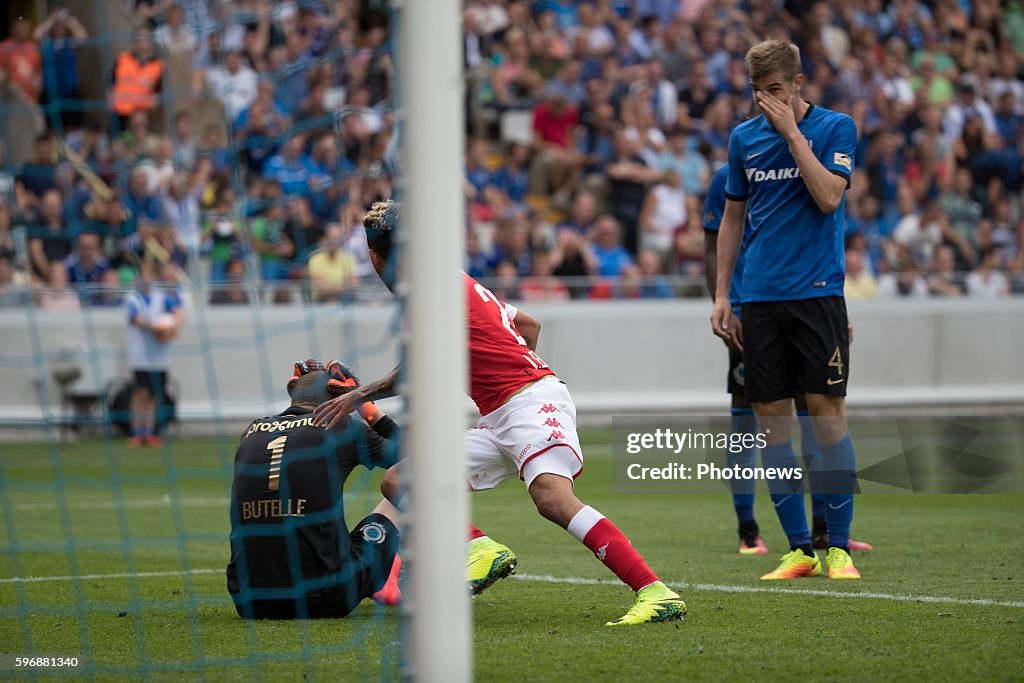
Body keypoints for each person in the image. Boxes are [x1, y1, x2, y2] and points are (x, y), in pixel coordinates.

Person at [315, 199, 686, 627]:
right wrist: (502, 372)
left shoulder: (427, 292)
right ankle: (477, 545)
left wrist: (358, 394)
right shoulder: (453, 281)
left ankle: (654, 591)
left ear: (376, 257)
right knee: (401, 479)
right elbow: (529, 326)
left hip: (529, 401)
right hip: (502, 412)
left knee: (551, 499)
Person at [710, 40, 863, 580]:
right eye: (757, 93)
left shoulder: (835, 129)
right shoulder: (742, 140)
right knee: (771, 424)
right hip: (760, 302)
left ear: (798, 84)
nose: (765, 103)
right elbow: (731, 220)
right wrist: (724, 294)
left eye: (774, 91)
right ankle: (798, 549)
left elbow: (828, 197)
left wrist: (793, 134)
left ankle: (838, 547)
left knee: (826, 419)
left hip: (818, 295)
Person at [705, 164, 873, 558]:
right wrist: (726, 303)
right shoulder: (730, 173)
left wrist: (834, 310)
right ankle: (748, 529)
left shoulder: (805, 167)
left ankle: (824, 532)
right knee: (749, 418)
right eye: (762, 98)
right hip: (753, 314)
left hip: (807, 308)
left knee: (815, 413)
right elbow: (713, 244)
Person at [227, 359, 403, 619]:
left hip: (249, 601)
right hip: (325, 598)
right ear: (339, 396)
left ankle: (386, 570)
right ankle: (392, 572)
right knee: (407, 482)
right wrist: (366, 407)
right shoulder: (341, 427)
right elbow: (415, 457)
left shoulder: (251, 432)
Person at [124, 259, 183, 447]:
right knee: (140, 392)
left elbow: (177, 311)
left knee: (154, 394)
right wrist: (159, 327)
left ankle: (149, 432)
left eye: (149, 274)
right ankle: (136, 431)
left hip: (159, 355)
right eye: (143, 274)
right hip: (140, 355)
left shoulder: (162, 296)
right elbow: (137, 320)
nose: (146, 278)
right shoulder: (132, 298)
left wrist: (174, 327)